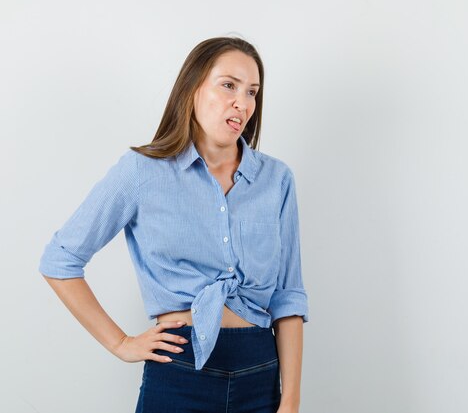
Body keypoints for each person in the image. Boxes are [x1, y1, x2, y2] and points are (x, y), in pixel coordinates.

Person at [38, 36, 309, 413]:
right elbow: (60, 260)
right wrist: (119, 343)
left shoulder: (276, 179)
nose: (242, 103)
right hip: (179, 372)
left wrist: (291, 399)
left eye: (252, 92)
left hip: (260, 374)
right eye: (228, 85)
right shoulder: (142, 172)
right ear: (192, 88)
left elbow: (288, 296)